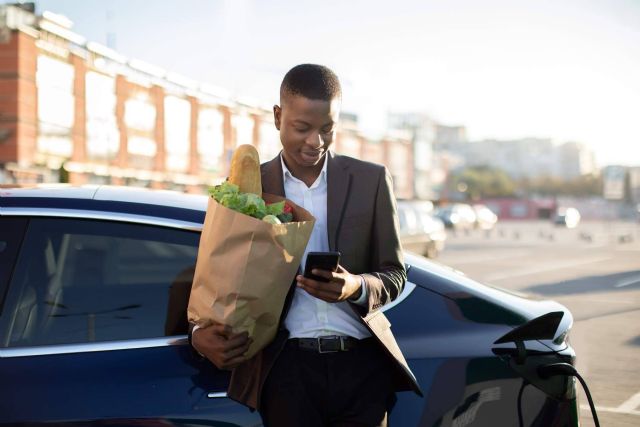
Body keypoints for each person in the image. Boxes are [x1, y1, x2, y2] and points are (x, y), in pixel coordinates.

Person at [191, 64, 421, 426]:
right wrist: (197, 333)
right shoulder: (247, 186)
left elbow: (396, 274)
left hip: (362, 369)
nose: (316, 141)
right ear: (278, 117)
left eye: (327, 129)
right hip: (285, 372)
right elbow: (210, 276)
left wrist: (356, 287)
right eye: (302, 128)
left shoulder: (371, 180)